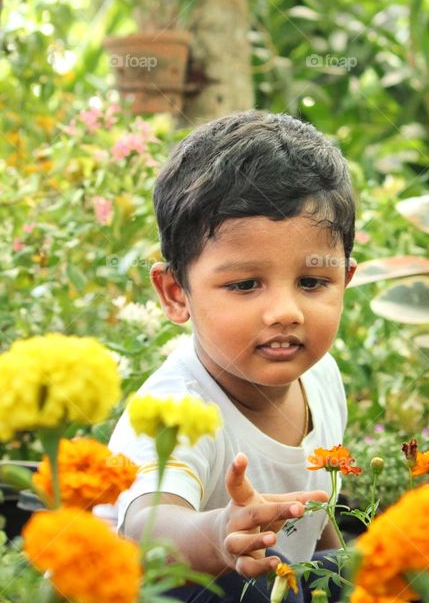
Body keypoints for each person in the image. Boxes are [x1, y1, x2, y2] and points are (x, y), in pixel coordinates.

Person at [106, 110, 357, 602]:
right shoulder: (177, 407)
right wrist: (221, 531)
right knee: (254, 581)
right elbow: (144, 528)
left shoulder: (321, 375)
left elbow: (313, 514)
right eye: (244, 285)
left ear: (345, 280)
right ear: (176, 293)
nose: (285, 312)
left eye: (312, 282)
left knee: (364, 566)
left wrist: (344, 570)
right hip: (150, 591)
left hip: (270, 579)